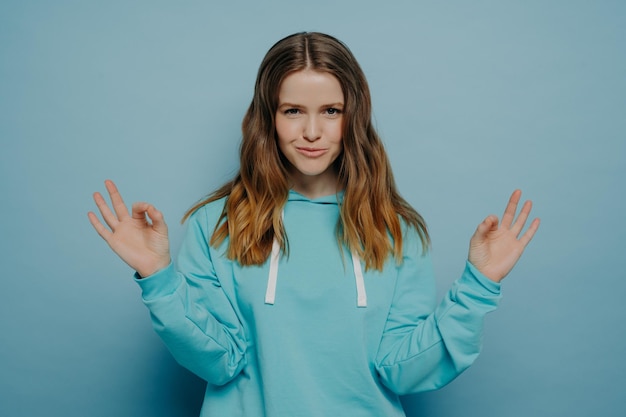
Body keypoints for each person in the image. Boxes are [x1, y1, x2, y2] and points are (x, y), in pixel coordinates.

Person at [88, 32, 540, 417]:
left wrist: (480, 285)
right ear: (268, 118)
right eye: (292, 111)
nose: (310, 132)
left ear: (353, 117)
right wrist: (159, 279)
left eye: (330, 111)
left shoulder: (397, 230)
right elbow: (219, 361)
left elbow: (403, 368)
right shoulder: (216, 225)